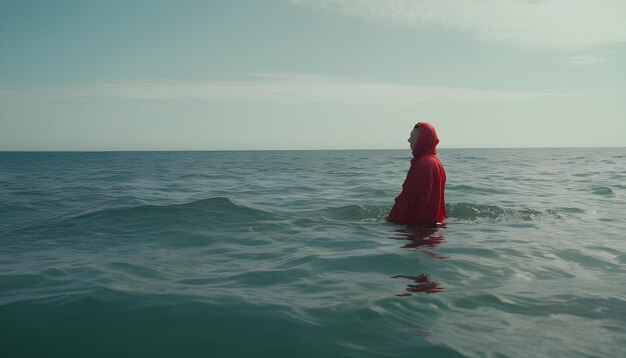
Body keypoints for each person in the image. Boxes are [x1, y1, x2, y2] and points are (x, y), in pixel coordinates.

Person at [387, 122, 447, 226]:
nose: (409, 140)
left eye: (413, 137)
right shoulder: (436, 162)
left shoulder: (422, 164)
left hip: (416, 227)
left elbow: (408, 198)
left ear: (422, 140)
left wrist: (392, 221)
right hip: (433, 225)